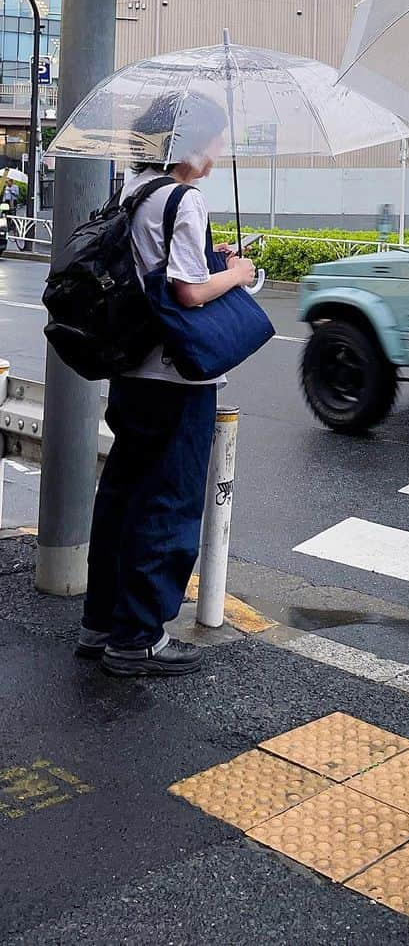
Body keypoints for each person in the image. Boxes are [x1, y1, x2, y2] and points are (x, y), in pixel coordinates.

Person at [76, 91, 257, 677]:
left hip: (131, 372)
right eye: (218, 138)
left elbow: (155, 269)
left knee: (123, 495)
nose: (221, 150)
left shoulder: (134, 190)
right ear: (191, 141)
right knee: (169, 504)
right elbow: (185, 292)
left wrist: (211, 261)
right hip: (176, 375)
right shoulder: (186, 198)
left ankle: (100, 624)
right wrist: (236, 272)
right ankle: (138, 639)